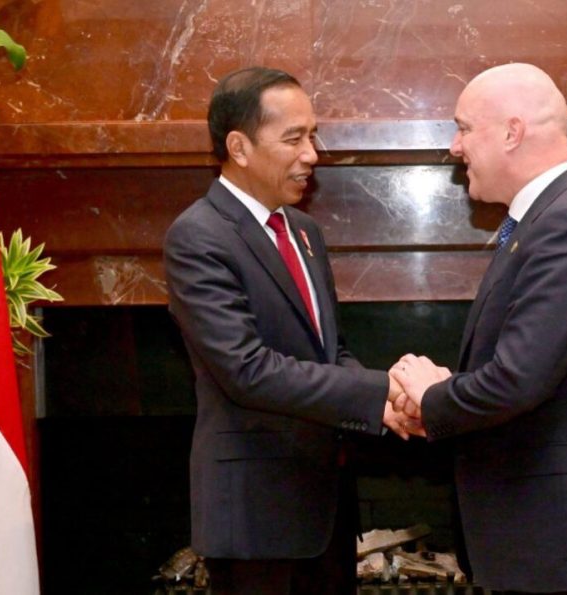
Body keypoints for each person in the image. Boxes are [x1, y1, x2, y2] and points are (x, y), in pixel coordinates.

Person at [391, 63, 567, 595]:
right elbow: (527, 371)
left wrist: (434, 395)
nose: (453, 146)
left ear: (512, 132)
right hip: (548, 543)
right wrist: (441, 396)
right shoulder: (544, 222)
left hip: (566, 548)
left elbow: (516, 381)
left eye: (464, 127)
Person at [164, 66, 418, 595]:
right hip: (254, 519)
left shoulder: (303, 232)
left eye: (313, 134)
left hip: (323, 507)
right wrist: (380, 388)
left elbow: (330, 350)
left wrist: (385, 407)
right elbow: (246, 371)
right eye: (294, 138)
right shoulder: (198, 237)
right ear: (239, 147)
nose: (313, 154)